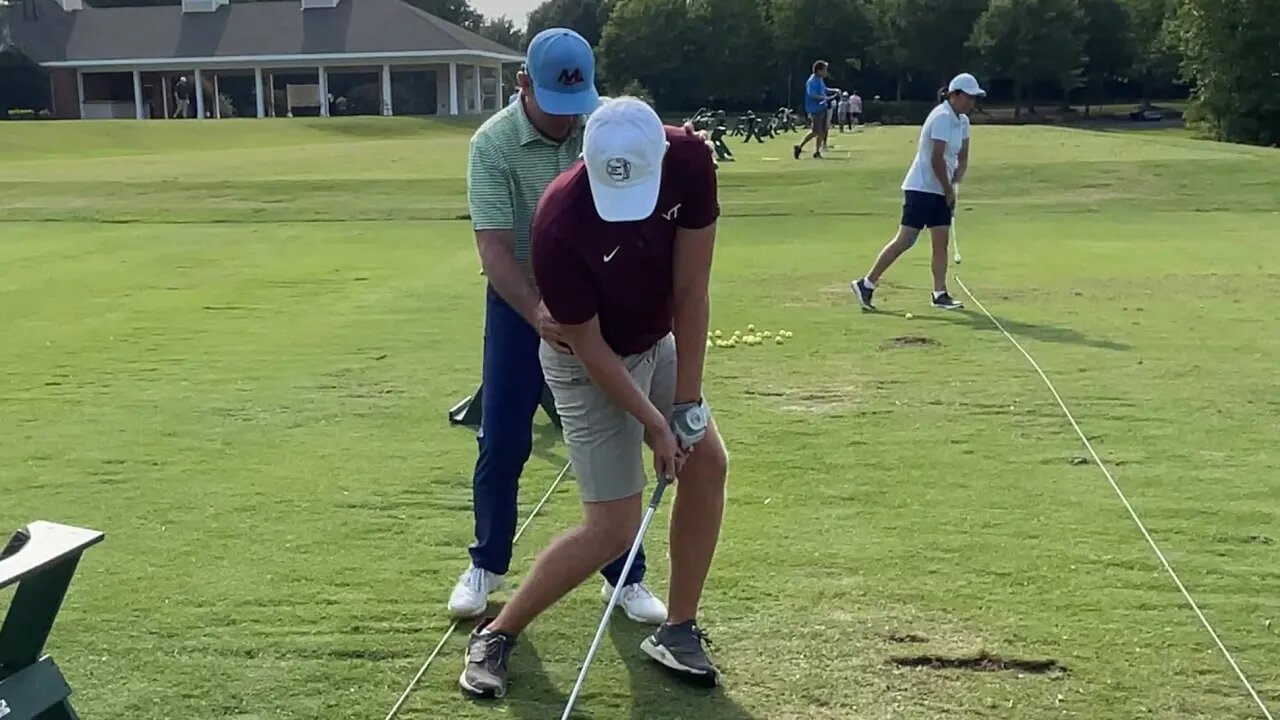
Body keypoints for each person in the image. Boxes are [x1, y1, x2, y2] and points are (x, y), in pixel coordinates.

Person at [459, 96, 730, 699]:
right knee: (612, 528)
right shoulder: (558, 222)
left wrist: (685, 405)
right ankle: (497, 631)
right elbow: (586, 344)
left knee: (708, 461)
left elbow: (691, 290)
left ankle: (679, 630)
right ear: (586, 159)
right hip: (587, 364)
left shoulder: (688, 160)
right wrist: (655, 426)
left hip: (655, 343)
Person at [448, 28, 667, 627]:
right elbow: (494, 249)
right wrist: (537, 310)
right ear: (523, 84)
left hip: (601, 301)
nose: (573, 120)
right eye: (557, 105)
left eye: (580, 105)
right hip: (522, 304)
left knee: (614, 438)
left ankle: (626, 576)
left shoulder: (600, 126)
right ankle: (487, 565)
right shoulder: (492, 144)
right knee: (504, 439)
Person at [851, 73, 985, 311]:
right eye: (969, 97)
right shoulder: (942, 117)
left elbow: (962, 157)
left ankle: (939, 293)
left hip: (942, 189)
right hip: (922, 187)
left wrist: (955, 184)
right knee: (906, 240)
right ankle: (866, 283)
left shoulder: (962, 121)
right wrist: (947, 189)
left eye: (975, 98)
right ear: (955, 95)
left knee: (940, 242)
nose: (972, 102)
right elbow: (936, 159)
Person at [794, 60, 837, 159]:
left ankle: (817, 152)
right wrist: (825, 98)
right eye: (825, 70)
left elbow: (824, 89)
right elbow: (812, 94)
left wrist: (834, 90)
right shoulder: (811, 81)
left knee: (822, 131)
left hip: (823, 107)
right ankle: (799, 146)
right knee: (815, 131)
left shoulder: (820, 79)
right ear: (819, 70)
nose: (826, 72)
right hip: (815, 109)